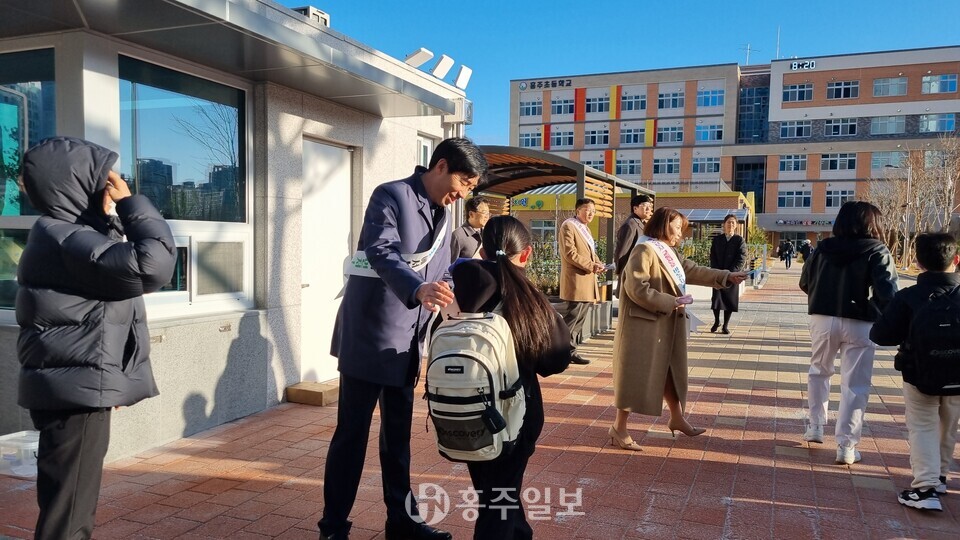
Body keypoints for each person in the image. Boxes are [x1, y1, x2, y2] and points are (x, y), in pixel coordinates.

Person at [320, 138, 488, 540]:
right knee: (352, 436)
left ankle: (402, 521)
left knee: (397, 438)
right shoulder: (392, 195)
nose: (463, 194)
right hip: (369, 336)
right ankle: (333, 528)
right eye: (463, 183)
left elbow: (443, 269)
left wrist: (445, 288)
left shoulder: (444, 212)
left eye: (470, 188)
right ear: (441, 165)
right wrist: (417, 289)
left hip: (407, 343)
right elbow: (381, 251)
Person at [16, 137, 176, 540]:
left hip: (73, 386)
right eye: (101, 179)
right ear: (75, 184)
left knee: (66, 505)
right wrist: (132, 205)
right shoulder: (65, 237)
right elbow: (153, 265)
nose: (111, 184)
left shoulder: (64, 235)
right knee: (68, 516)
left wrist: (108, 217)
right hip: (74, 395)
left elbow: (108, 275)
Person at [450, 216, 571, 539]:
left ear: (482, 250)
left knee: (494, 491)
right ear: (526, 253)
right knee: (499, 498)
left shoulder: (457, 288)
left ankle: (519, 533)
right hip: (515, 414)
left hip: (463, 409)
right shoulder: (529, 298)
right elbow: (554, 360)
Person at [609, 207, 748, 450]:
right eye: (677, 229)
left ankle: (676, 417)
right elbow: (636, 288)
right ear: (664, 226)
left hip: (664, 323)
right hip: (643, 327)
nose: (680, 235)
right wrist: (670, 301)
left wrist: (726, 276)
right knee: (635, 377)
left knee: (669, 371)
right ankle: (618, 428)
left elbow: (692, 270)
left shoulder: (667, 250)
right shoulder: (644, 249)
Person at [798, 201, 898, 465]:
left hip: (822, 318)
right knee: (855, 385)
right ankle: (846, 446)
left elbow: (804, 282)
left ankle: (815, 427)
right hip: (860, 322)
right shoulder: (877, 250)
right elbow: (888, 293)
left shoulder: (822, 248)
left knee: (819, 371)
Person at [870, 232, 960, 511]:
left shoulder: (909, 297)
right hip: (958, 377)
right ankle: (940, 476)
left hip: (919, 374)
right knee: (949, 424)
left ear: (918, 263)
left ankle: (925, 488)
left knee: (923, 426)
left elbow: (881, 335)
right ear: (956, 260)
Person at [558, 197, 606, 365]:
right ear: (577, 210)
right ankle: (558, 352)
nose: (590, 213)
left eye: (593, 211)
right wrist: (591, 265)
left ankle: (570, 351)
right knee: (572, 318)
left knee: (579, 319)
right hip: (576, 280)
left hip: (586, 280)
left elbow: (590, 253)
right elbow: (570, 253)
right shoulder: (569, 226)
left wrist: (598, 263)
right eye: (587, 210)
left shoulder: (585, 228)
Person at [709, 214, 748, 334]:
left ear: (736, 226)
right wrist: (716, 271)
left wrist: (732, 273)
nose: (730, 224)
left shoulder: (739, 240)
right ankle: (716, 321)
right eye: (728, 222)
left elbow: (741, 257)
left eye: (732, 223)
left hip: (732, 275)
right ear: (724, 224)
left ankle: (725, 325)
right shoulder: (717, 239)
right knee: (716, 299)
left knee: (729, 300)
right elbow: (712, 256)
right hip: (718, 274)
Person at [614, 194, 654, 297]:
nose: (648, 209)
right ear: (635, 208)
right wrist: (620, 272)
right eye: (645, 206)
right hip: (630, 273)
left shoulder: (641, 224)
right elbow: (622, 252)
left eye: (650, 206)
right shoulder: (630, 225)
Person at [449, 195, 490, 261]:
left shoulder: (487, 234)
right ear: (471, 214)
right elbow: (451, 263)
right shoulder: (458, 236)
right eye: (484, 212)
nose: (487, 216)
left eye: (488, 213)